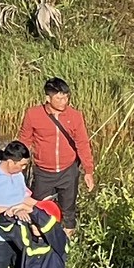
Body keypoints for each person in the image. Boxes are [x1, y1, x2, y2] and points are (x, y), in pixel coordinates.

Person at [18, 78, 95, 225]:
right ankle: (40, 241)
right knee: (38, 210)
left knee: (68, 212)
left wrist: (88, 170)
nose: (63, 102)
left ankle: (66, 241)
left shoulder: (75, 116)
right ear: (48, 98)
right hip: (43, 172)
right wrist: (17, 167)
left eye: (66, 97)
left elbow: (83, 143)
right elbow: (24, 142)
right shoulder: (33, 114)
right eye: (59, 98)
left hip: (68, 170)